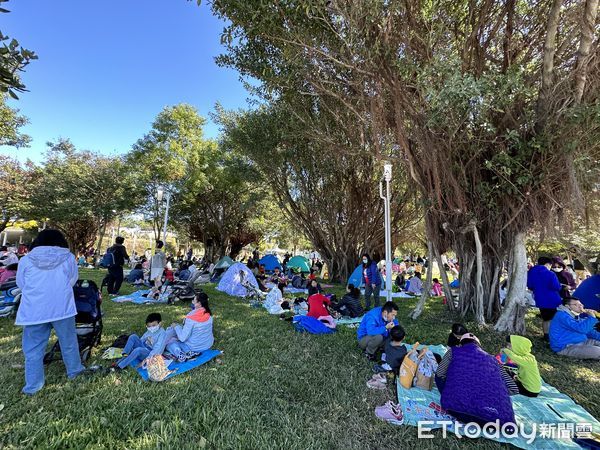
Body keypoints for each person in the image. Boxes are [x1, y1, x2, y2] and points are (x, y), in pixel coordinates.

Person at [15, 229, 88, 395]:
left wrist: (37, 294)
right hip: (62, 308)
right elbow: (72, 280)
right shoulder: (68, 258)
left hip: (34, 310)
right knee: (69, 342)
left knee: (33, 349)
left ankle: (33, 385)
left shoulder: (26, 260)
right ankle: (75, 371)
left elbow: (21, 283)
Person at [435, 333, 517, 427]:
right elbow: (513, 388)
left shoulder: (453, 351)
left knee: (439, 377)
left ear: (461, 344)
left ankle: (452, 397)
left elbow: (440, 373)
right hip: (500, 420)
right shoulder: (493, 360)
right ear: (479, 346)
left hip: (457, 410)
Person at [159, 292, 215, 362]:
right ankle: (188, 352)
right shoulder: (209, 316)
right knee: (175, 333)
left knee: (170, 343)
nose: (192, 302)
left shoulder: (191, 318)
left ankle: (181, 354)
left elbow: (182, 338)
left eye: (193, 300)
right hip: (207, 344)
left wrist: (176, 326)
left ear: (199, 304)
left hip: (194, 347)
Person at [527, 256, 562, 341]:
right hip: (552, 299)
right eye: (551, 265)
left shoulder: (531, 272)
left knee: (545, 318)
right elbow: (556, 287)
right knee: (553, 319)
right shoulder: (550, 274)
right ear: (547, 264)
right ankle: (552, 336)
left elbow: (530, 286)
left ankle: (546, 335)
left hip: (539, 299)